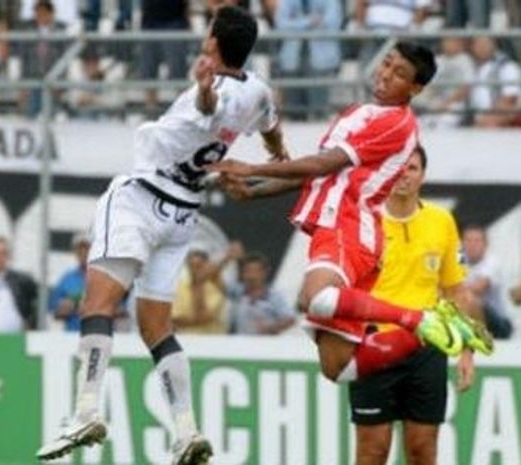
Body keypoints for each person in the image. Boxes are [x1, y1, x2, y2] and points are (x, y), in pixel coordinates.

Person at [36, 7, 287, 465]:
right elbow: (271, 126)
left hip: (142, 198)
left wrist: (205, 89)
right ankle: (186, 431)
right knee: (156, 327)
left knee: (98, 304)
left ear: (213, 42)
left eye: (209, 30)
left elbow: (210, 107)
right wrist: (280, 155)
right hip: (183, 214)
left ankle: (85, 411)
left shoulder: (210, 91)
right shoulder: (258, 90)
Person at [210, 41, 492, 387]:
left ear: (415, 89)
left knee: (315, 297)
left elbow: (323, 163)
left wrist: (252, 168)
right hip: (336, 225)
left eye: (399, 73)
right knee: (338, 368)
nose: (385, 74)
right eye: (386, 63)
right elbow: (318, 174)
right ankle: (430, 326)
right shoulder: (361, 113)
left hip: (350, 225)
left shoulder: (397, 123)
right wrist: (253, 190)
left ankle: (419, 319)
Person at [349, 146, 476, 465]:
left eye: (412, 168)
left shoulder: (441, 221)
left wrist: (466, 348)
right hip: (374, 346)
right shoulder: (366, 221)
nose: (404, 175)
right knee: (373, 450)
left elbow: (456, 290)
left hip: (426, 344)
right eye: (398, 168)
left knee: (423, 449)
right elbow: (344, 288)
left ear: (423, 176)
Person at [275, 0, 343, 120]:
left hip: (321, 60)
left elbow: (332, 23)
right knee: (293, 111)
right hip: (292, 59)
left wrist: (296, 23)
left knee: (319, 111)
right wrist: (309, 21)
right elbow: (281, 24)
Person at [462, 225, 512, 339]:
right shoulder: (459, 260)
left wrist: (453, 289)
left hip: (499, 322)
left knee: (470, 299)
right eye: (468, 240)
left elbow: (478, 288)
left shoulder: (492, 262)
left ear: (486, 245)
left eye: (477, 241)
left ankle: (479, 341)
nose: (472, 245)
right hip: (466, 316)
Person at [229, 252, 297, 335]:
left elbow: (290, 319)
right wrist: (227, 257)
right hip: (239, 341)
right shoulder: (237, 291)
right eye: (247, 271)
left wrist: (270, 328)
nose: (251, 276)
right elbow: (217, 281)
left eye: (256, 271)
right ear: (242, 273)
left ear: (265, 272)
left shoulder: (274, 296)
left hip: (265, 341)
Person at [171, 248, 235, 334]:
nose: (194, 270)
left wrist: (199, 285)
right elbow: (174, 318)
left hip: (210, 339)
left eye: (199, 266)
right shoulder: (180, 287)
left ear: (207, 266)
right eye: (191, 266)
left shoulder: (216, 288)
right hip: (184, 338)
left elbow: (204, 318)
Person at [469, 36, 521, 128]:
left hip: (499, 124)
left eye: (485, 44)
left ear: (494, 44)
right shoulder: (473, 67)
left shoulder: (508, 67)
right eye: (478, 44)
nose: (481, 48)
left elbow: (509, 100)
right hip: (474, 122)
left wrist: (485, 122)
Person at [49, 233, 91, 332]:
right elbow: (54, 310)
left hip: (99, 334)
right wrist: (65, 308)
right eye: (79, 249)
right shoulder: (67, 278)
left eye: (86, 249)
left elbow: (120, 310)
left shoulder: (103, 277)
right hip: (73, 335)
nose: (83, 253)